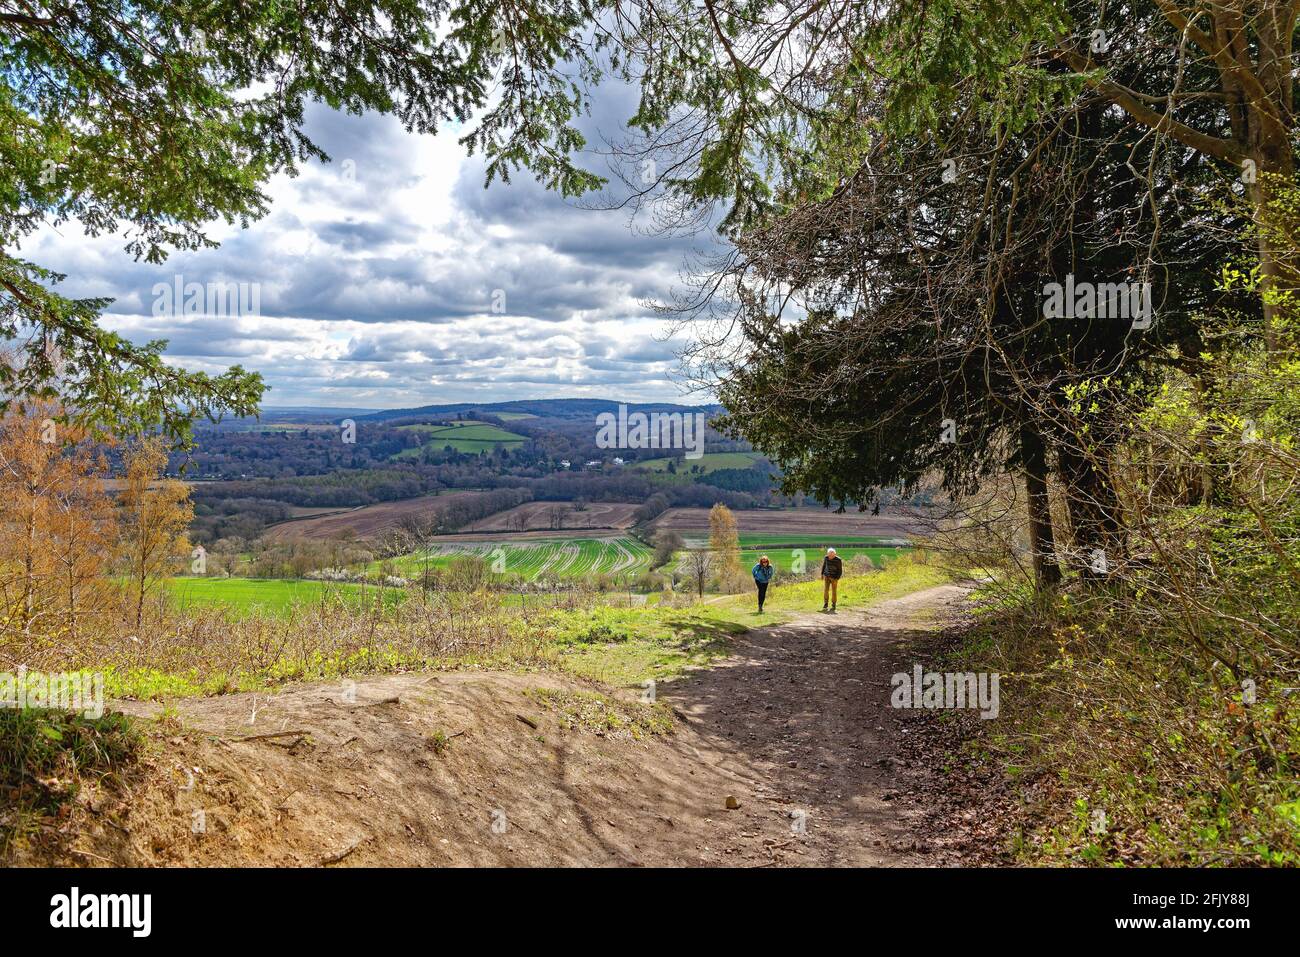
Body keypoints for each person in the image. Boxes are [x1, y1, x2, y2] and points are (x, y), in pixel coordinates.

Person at [820, 547, 843, 612]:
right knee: (826, 590)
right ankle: (825, 604)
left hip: (834, 578)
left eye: (832, 556)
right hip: (827, 576)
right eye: (829, 555)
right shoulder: (826, 558)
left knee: (834, 591)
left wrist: (837, 578)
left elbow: (840, 570)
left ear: (835, 554)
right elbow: (824, 566)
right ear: (827, 554)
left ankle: (834, 604)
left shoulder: (838, 560)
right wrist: (822, 574)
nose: (830, 557)